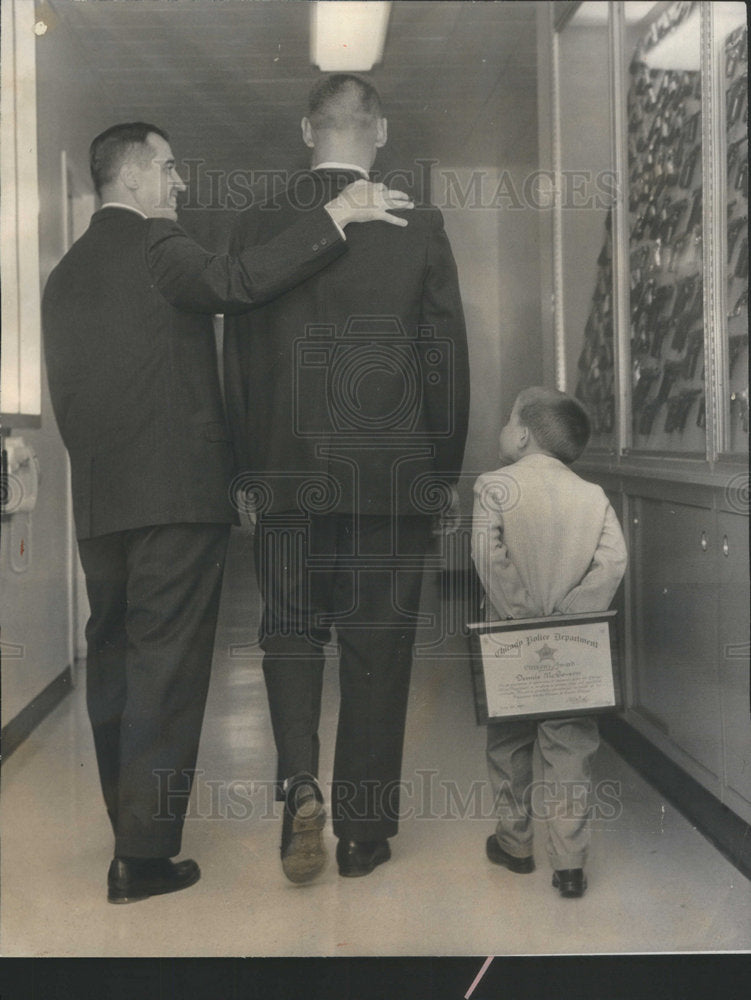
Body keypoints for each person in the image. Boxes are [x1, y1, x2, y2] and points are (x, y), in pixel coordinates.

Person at [42, 121, 414, 904]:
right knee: (167, 674)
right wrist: (336, 216)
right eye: (170, 169)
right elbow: (238, 281)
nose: (179, 184)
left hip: (100, 504)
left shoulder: (64, 275)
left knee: (112, 665)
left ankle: (128, 837)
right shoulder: (159, 246)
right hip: (176, 497)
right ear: (135, 178)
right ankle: (144, 859)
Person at [223, 75, 469, 882]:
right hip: (389, 478)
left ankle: (298, 780)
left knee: (289, 630)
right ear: (381, 131)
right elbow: (445, 361)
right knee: (378, 645)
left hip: (288, 475)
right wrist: (441, 470)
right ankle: (363, 834)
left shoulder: (258, 222)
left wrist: (247, 471)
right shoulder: (418, 223)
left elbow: (240, 364)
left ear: (305, 131)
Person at [471, 386, 627, 898]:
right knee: (570, 750)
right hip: (574, 648)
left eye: (507, 418)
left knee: (509, 745)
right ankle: (570, 866)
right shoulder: (592, 495)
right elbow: (612, 561)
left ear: (520, 434)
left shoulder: (493, 487)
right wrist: (571, 614)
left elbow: (488, 557)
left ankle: (515, 845)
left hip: (511, 645)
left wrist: (522, 615)